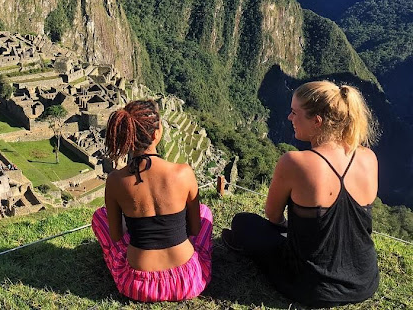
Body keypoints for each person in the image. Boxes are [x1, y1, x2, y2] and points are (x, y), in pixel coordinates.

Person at [222, 81, 379, 307]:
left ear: (317, 122)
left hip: (311, 287)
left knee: (243, 223)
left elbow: (273, 216)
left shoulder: (295, 162)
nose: (289, 118)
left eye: (295, 113)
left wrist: (288, 228)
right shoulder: (368, 157)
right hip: (364, 281)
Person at [92, 100, 212, 302]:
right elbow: (194, 228)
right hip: (188, 279)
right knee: (204, 211)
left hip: (137, 284)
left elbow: (116, 235)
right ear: (157, 134)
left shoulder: (115, 181)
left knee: (99, 217)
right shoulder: (184, 173)